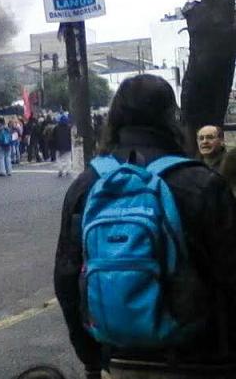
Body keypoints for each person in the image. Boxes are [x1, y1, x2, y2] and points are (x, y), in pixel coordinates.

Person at [55, 74, 236, 379]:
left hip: (119, 357)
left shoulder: (86, 185)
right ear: (170, 117)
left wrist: (92, 358)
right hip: (201, 358)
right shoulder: (200, 183)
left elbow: (66, 277)